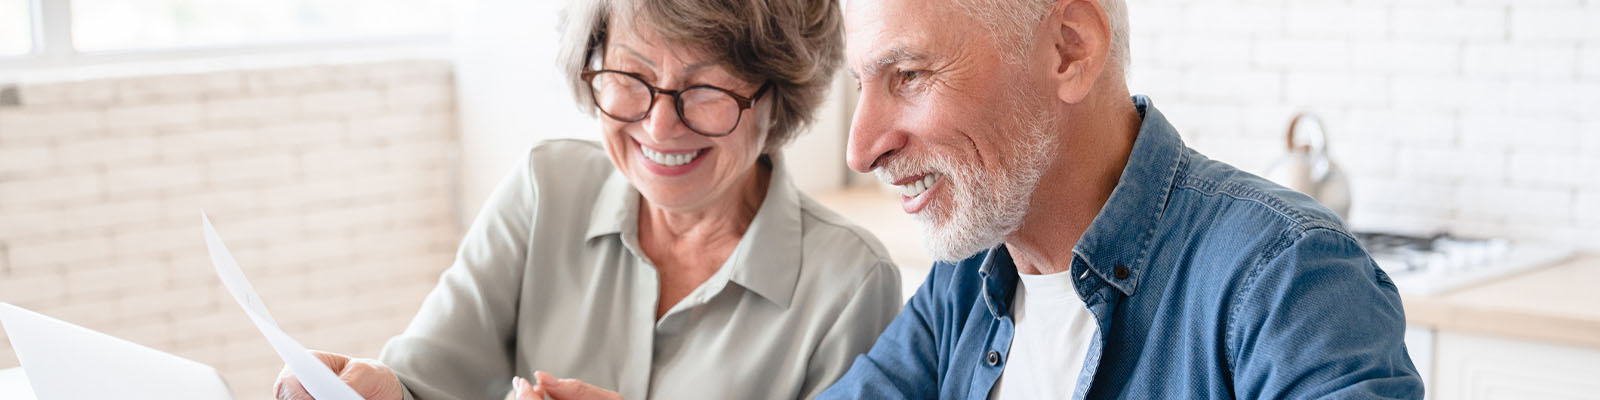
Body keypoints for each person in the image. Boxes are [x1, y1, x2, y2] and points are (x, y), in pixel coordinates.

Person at [273, 0, 903, 399]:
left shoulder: (849, 283)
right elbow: (424, 378)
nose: (659, 128)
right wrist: (381, 391)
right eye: (630, 77)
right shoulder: (546, 189)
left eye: (705, 88)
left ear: (776, 98)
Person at [820, 0, 1424, 398]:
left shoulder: (1286, 280)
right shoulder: (964, 284)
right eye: (860, 85)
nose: (861, 148)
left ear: (1069, 50)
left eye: (909, 75)